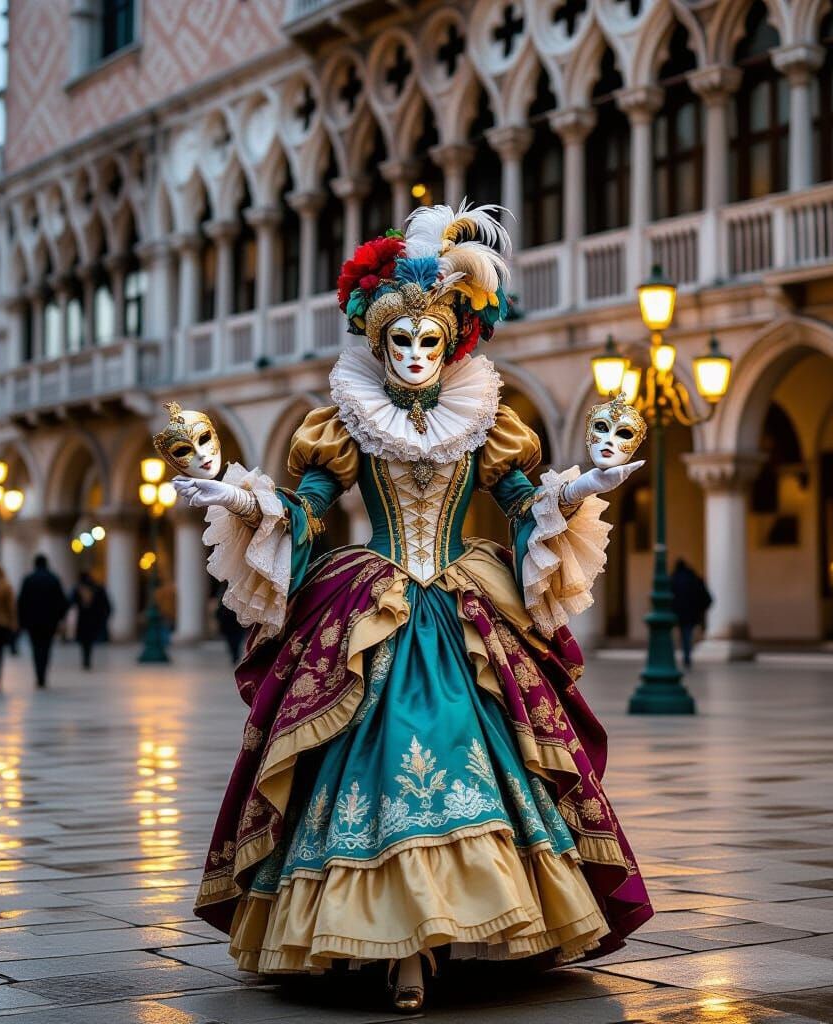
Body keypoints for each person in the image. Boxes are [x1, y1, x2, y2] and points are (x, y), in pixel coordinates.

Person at [174, 204, 652, 1012]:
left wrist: (579, 489)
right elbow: (310, 510)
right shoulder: (347, 423)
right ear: (377, 342)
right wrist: (242, 500)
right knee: (376, 751)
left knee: (482, 750)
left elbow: (522, 498)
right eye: (401, 342)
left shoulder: (488, 424)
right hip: (372, 597)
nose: (416, 355)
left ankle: (466, 931)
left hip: (465, 599)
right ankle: (394, 948)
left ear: (454, 341)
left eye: (430, 341)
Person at [17, 554, 68, 688]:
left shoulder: (28, 579)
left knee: (35, 648)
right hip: (49, 621)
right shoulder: (53, 579)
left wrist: (22, 621)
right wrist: (60, 617)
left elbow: (22, 602)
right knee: (46, 647)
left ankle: (38, 674)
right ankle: (43, 674)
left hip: (32, 621)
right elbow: (61, 601)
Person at [670, 559, 712, 670]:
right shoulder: (694, 579)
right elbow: (706, 597)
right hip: (690, 614)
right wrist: (700, 611)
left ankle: (680, 657)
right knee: (686, 636)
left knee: (677, 636)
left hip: (676, 613)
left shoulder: (673, 579)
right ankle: (687, 658)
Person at [70, 571, 111, 670]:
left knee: (85, 641)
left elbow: (70, 602)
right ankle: (87, 659)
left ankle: (86, 660)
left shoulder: (78, 589)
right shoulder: (96, 588)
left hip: (84, 619)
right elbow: (106, 604)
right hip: (92, 619)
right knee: (88, 641)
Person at [215, 586, 245, 664]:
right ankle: (234, 654)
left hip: (236, 620)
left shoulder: (239, 592)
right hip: (229, 620)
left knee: (236, 639)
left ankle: (235, 654)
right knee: (232, 639)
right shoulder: (223, 592)